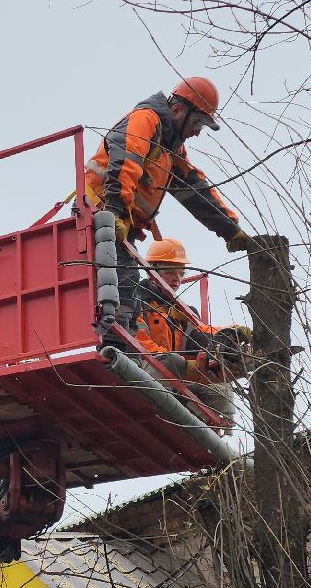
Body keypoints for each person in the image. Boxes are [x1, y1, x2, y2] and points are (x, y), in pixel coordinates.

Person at [85, 77, 257, 256]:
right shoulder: (144, 120)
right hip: (99, 213)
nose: (197, 133)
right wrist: (112, 211)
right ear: (177, 110)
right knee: (124, 283)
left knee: (124, 282)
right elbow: (125, 162)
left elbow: (194, 191)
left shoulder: (170, 149)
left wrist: (230, 229)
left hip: (119, 223)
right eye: (197, 123)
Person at [132, 238, 252, 427]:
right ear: (150, 270)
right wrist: (184, 366)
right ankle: (170, 412)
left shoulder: (183, 311)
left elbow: (202, 334)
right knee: (169, 361)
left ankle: (211, 430)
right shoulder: (137, 300)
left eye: (181, 273)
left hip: (173, 375)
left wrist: (231, 332)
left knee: (222, 387)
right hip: (144, 370)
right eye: (169, 271)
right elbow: (139, 343)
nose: (177, 279)